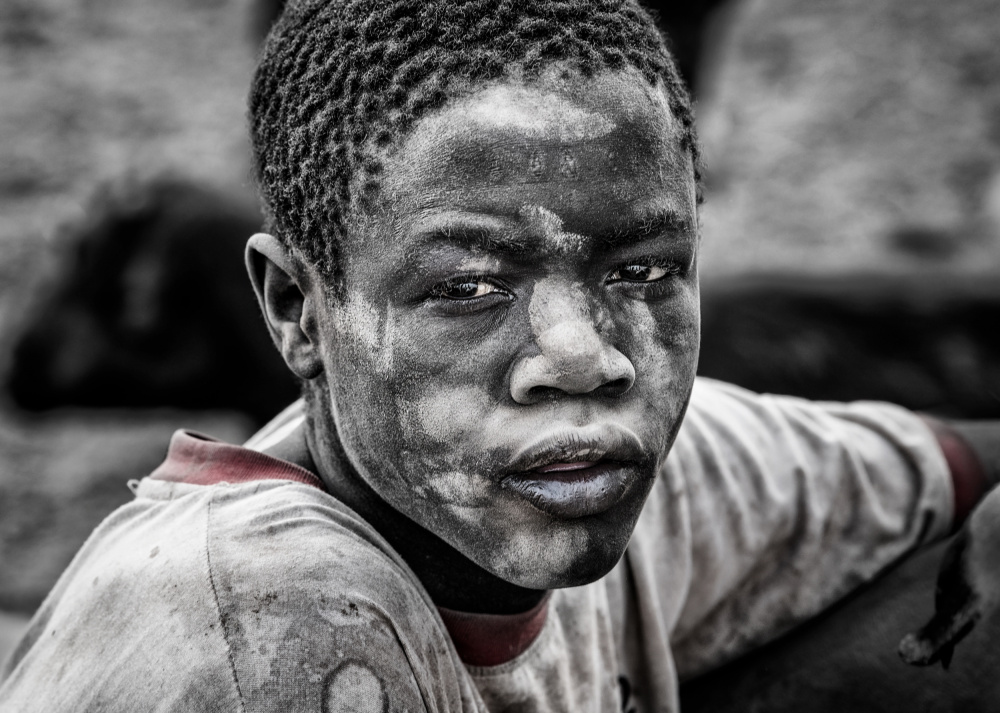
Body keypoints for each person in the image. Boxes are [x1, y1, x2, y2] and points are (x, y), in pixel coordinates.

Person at [1, 1, 996, 710]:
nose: (583, 357)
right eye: (469, 288)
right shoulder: (277, 620)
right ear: (297, 309)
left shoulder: (624, 471)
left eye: (643, 270)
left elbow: (958, 458)